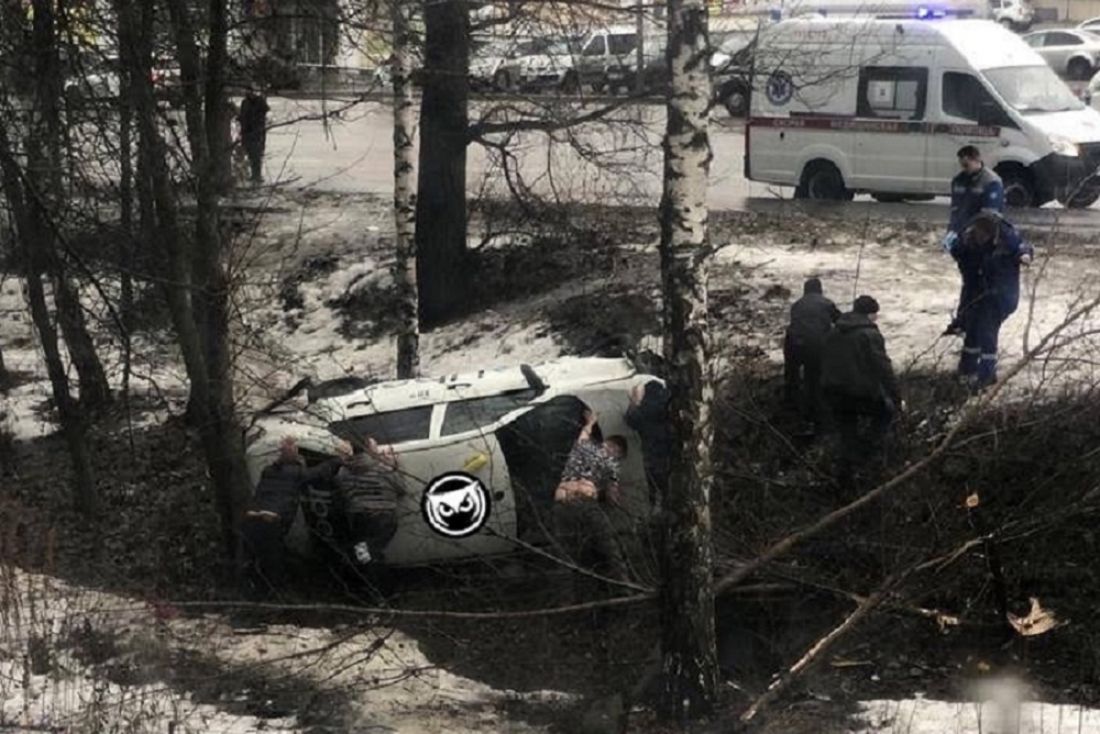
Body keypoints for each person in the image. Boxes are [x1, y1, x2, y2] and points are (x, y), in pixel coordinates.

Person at [242, 436, 341, 595]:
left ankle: (256, 591)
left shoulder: (268, 471)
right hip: (272, 519)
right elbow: (317, 473)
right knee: (273, 560)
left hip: (253, 517)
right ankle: (274, 595)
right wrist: (337, 460)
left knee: (257, 557)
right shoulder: (295, 473)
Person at [820, 296, 902, 487]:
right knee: (885, 412)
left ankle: (845, 477)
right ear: (871, 314)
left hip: (833, 392)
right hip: (858, 393)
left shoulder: (835, 330)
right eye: (876, 315)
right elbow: (883, 368)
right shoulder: (869, 334)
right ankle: (868, 454)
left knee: (847, 432)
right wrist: (896, 397)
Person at [552, 409, 630, 593]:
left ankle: (568, 596)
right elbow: (612, 496)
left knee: (566, 553)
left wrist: (591, 421)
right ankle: (625, 588)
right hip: (585, 502)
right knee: (609, 547)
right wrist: (619, 505)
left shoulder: (583, 447)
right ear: (617, 451)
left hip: (562, 501)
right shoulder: (612, 464)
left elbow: (584, 433)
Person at [953, 213, 1033, 389]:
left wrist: (1024, 256)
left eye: (983, 237)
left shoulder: (1007, 237)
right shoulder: (966, 240)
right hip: (978, 291)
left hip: (1001, 296)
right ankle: (967, 370)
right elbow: (960, 254)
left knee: (986, 331)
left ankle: (986, 375)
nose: (980, 239)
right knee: (972, 329)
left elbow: (1024, 247)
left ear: (991, 235)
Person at [943, 146, 1005, 335]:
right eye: (961, 164)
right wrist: (952, 232)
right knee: (969, 281)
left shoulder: (991, 182)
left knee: (978, 283)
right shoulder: (959, 181)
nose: (964, 168)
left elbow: (990, 217)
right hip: (963, 241)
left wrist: (971, 234)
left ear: (976, 159)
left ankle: (972, 321)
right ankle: (964, 320)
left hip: (982, 241)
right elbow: (956, 210)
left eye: (967, 164)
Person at [333, 436, 403, 565]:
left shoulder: (343, 471)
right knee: (373, 548)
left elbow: (342, 491)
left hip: (359, 516)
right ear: (369, 450)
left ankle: (363, 573)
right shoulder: (382, 468)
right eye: (375, 447)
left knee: (364, 550)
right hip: (383, 514)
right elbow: (401, 488)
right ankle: (371, 571)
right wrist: (395, 467)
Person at [783, 277, 841, 428]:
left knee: (793, 379)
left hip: (793, 344)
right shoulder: (826, 303)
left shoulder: (796, 305)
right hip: (816, 346)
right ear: (820, 290)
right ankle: (817, 416)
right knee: (814, 379)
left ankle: (793, 411)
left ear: (805, 290)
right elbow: (840, 321)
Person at [624, 379, 670, 509]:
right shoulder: (664, 408)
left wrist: (634, 401)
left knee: (653, 487)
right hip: (667, 453)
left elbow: (629, 420)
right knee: (666, 487)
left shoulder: (643, 412)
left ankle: (654, 508)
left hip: (650, 454)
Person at [238, 89, 270, 184]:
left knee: (256, 155)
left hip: (257, 133)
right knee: (250, 154)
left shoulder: (260, 102)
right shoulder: (245, 102)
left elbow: (262, 114)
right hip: (246, 133)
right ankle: (252, 175)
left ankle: (257, 175)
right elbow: (243, 116)